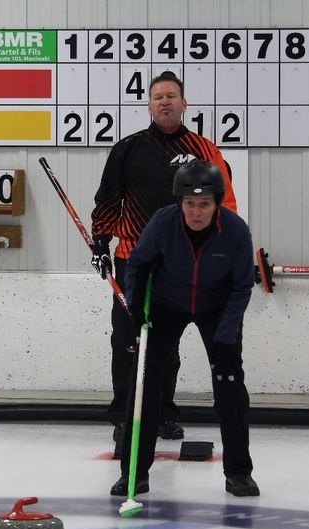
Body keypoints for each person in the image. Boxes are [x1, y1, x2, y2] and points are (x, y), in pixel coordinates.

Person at [90, 70, 237, 444]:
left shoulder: (204, 150)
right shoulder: (127, 149)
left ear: (184, 104)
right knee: (127, 341)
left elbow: (225, 204)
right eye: (158, 96)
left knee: (166, 342)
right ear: (149, 105)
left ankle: (164, 414)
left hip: (182, 263)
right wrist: (100, 243)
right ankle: (126, 418)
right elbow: (107, 201)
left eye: (171, 96)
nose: (165, 101)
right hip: (132, 259)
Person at [110, 159, 259, 498]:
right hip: (167, 303)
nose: (196, 212)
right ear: (180, 202)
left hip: (216, 306)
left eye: (204, 204)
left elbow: (241, 287)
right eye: (190, 203)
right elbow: (138, 264)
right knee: (145, 382)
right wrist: (136, 308)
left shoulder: (235, 231)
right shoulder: (163, 223)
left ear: (216, 203)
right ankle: (134, 473)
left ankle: (239, 473)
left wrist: (226, 336)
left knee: (229, 384)